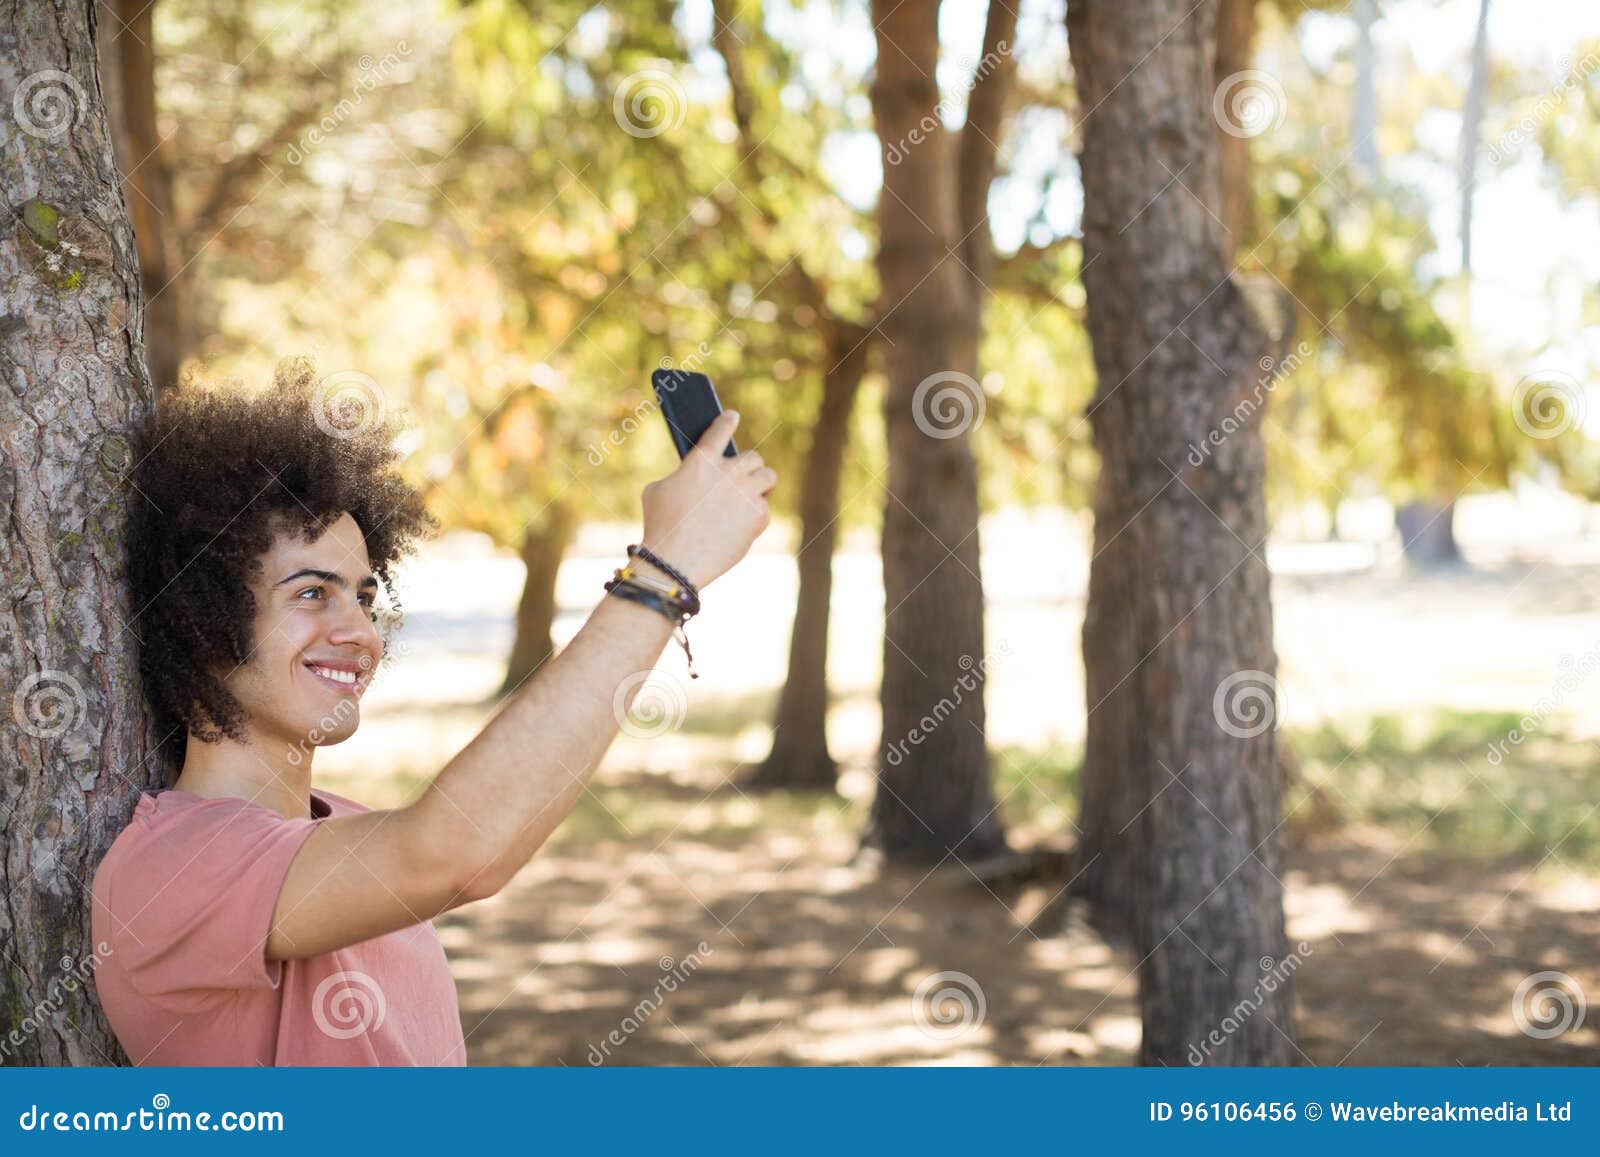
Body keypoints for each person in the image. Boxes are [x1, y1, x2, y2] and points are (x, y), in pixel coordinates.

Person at [91, 361, 775, 1065]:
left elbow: (492, 842)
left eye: (363, 594)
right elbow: (454, 855)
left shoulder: (349, 827)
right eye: (311, 594)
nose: (359, 630)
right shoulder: (168, 867)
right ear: (201, 619)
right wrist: (663, 570)